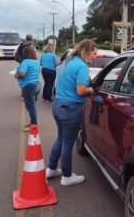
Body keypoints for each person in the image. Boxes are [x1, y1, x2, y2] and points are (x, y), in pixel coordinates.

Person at [46, 39, 98, 186]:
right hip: (71, 108)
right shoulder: (82, 66)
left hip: (58, 105)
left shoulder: (68, 61)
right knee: (68, 143)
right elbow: (81, 91)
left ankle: (51, 168)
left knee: (61, 138)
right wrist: (91, 90)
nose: (95, 57)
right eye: (94, 53)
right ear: (87, 51)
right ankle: (67, 176)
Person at [15, 46, 41, 131]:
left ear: (24, 53)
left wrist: (17, 75)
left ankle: (33, 125)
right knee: (31, 105)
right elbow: (38, 71)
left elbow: (22, 73)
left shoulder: (25, 62)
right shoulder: (37, 62)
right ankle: (32, 122)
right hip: (37, 85)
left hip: (29, 86)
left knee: (31, 106)